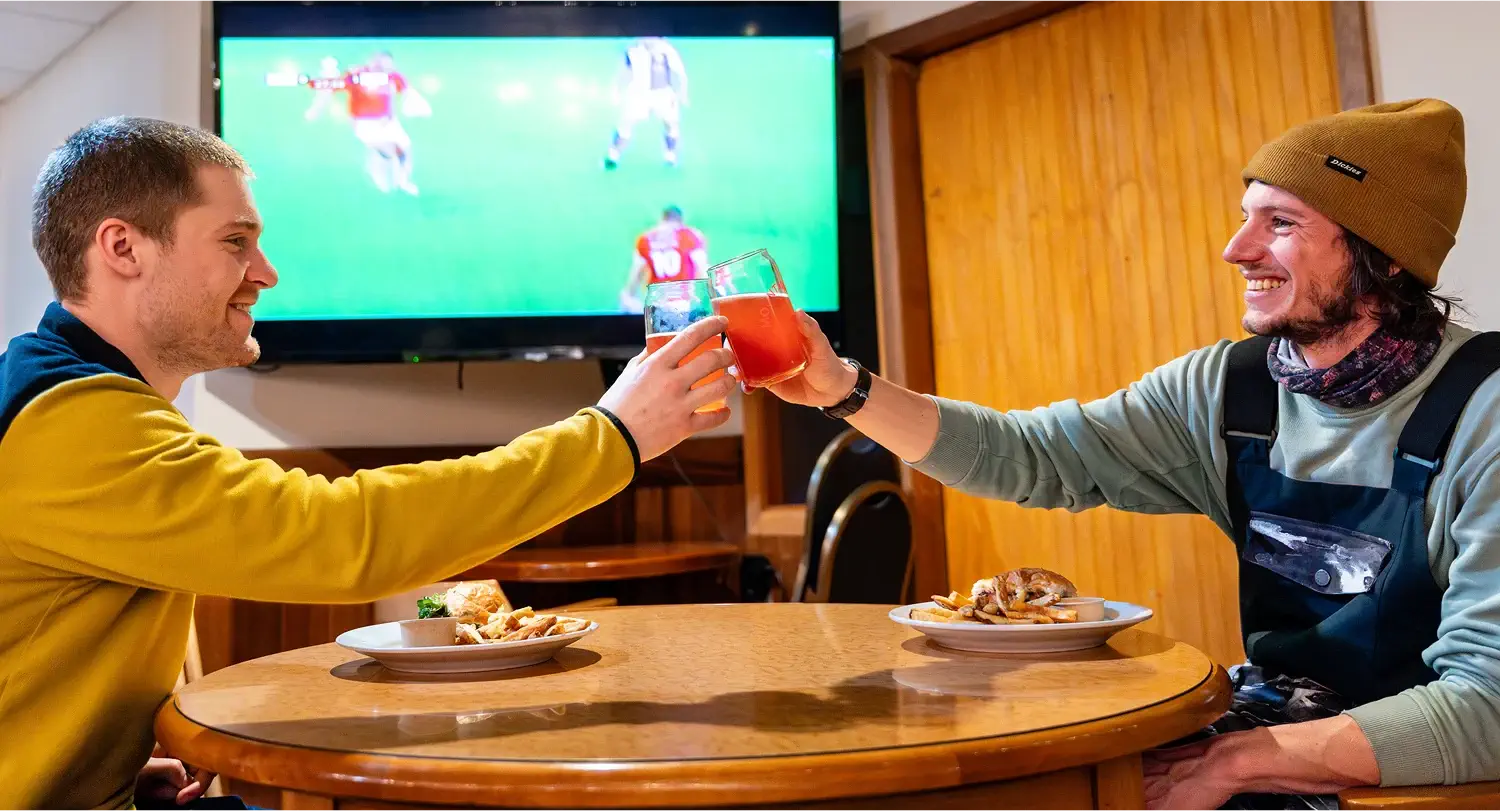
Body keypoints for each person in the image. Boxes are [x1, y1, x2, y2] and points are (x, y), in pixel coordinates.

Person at [764, 99, 1499, 811]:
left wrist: (1234, 762)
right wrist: (844, 388)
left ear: (1389, 256)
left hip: (1410, 778)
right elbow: (1030, 453)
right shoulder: (1231, 389)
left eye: (1280, 223)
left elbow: (1487, 706)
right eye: (1245, 215)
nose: (1236, 248)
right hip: (1279, 720)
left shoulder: (1483, 413)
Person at [0, 116, 735, 811]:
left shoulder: (77, 401)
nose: (266, 272)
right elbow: (342, 534)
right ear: (122, 248)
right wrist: (614, 435)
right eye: (235, 241)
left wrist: (109, 768)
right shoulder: (69, 424)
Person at [303, 50, 430, 195]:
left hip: (389, 122)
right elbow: (329, 86)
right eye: (377, 65)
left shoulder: (393, 77)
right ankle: (379, 169)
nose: (379, 70)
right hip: (364, 124)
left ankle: (403, 181)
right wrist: (324, 78)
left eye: (384, 67)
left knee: (404, 149)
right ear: (371, 62)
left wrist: (418, 105)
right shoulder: (356, 76)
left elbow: (407, 91)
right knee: (388, 148)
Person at [603, 37, 688, 170]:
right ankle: (613, 155)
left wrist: (682, 93)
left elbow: (679, 72)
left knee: (670, 124)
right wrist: (616, 92)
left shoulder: (668, 51)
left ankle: (670, 155)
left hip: (663, 94)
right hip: (638, 95)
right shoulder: (633, 51)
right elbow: (624, 72)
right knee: (626, 123)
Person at [619, 205, 709, 312]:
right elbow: (704, 271)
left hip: (657, 304)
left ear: (662, 218)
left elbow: (634, 281)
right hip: (684, 305)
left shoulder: (645, 238)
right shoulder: (692, 235)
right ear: (680, 219)